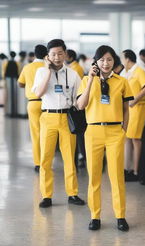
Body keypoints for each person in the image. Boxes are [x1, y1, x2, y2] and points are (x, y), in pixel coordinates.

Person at [77, 45, 133, 231]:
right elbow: (80, 105)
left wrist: (124, 129)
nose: (106, 63)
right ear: (96, 62)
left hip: (115, 132)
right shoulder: (86, 80)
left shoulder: (122, 82)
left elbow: (127, 109)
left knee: (117, 176)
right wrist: (91, 79)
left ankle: (120, 216)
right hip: (93, 132)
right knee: (94, 176)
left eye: (109, 60)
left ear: (114, 61)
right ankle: (95, 216)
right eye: (102, 60)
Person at [32, 39, 85, 208]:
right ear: (48, 56)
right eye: (53, 54)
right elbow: (39, 93)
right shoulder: (41, 72)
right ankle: (46, 195)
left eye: (60, 53)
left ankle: (73, 194)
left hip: (67, 119)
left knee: (70, 158)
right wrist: (48, 72)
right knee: (46, 159)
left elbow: (79, 98)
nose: (56, 57)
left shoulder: (72, 74)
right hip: (48, 118)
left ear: (65, 54)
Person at [18, 45, 48, 173]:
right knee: (47, 134)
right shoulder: (47, 67)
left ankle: (38, 163)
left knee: (36, 133)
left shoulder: (27, 67)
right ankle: (47, 162)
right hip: (48, 104)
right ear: (46, 54)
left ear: (34, 54)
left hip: (33, 103)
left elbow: (20, 83)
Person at [121, 49, 145, 181]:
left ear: (127, 59)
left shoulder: (139, 71)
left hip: (138, 108)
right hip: (129, 109)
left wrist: (134, 100)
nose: (121, 61)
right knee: (128, 138)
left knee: (136, 139)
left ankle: (136, 171)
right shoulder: (127, 73)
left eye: (122, 58)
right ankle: (127, 168)